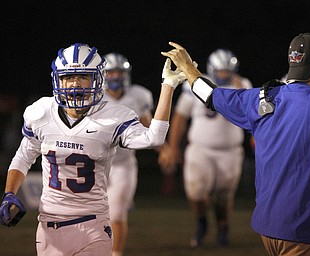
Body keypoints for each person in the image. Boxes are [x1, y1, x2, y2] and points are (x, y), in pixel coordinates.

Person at [0, 43, 185, 256]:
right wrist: (9, 192)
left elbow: (154, 137)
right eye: (68, 77)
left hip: (93, 225)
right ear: (57, 79)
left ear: (97, 79)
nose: (75, 84)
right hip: (48, 225)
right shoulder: (40, 113)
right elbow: (23, 156)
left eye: (83, 77)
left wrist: (168, 86)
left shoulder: (113, 116)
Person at [161, 33, 310, 255]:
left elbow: (210, 95)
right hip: (304, 229)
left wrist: (187, 67)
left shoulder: (263, 98)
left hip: (269, 227)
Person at [159, 49, 252, 248]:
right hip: (200, 149)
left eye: (228, 71)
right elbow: (180, 117)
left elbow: (249, 114)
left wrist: (241, 91)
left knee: (224, 195)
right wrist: (173, 147)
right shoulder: (198, 84)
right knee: (197, 192)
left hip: (230, 150)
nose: (224, 75)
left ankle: (223, 227)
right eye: (221, 70)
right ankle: (202, 223)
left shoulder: (241, 85)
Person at [102, 52, 153, 256]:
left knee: (116, 211)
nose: (115, 76)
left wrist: (164, 149)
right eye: (111, 72)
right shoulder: (93, 97)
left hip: (123, 163)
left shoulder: (139, 96)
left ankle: (115, 253)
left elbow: (148, 126)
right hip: (96, 163)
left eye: (119, 72)